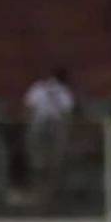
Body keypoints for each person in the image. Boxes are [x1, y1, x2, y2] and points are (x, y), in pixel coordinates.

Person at [23, 68, 76, 203]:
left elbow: (29, 108)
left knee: (37, 162)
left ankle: (37, 193)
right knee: (54, 164)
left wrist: (29, 126)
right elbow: (67, 113)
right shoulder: (64, 92)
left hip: (38, 126)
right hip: (55, 128)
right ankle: (50, 194)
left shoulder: (38, 88)